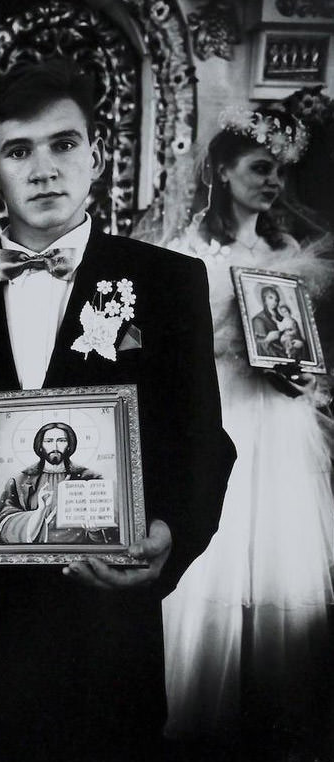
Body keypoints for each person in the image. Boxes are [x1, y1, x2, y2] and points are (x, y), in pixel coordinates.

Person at [0, 58, 235, 762]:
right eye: (18, 151)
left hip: (105, 622)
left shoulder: (168, 282)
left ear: (95, 157)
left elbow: (202, 442)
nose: (42, 169)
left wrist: (169, 535)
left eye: (62, 144)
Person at [155, 106, 334, 759]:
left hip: (275, 420)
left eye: (280, 172)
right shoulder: (185, 256)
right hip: (217, 408)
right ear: (222, 170)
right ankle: (194, 702)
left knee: (275, 561)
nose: (272, 182)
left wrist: (296, 374)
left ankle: (264, 715)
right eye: (260, 168)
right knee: (215, 553)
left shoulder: (282, 255)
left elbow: (294, 350)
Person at [0, 421, 114, 544]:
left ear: (69, 445)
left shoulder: (89, 478)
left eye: (61, 441)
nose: (55, 447)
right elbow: (3, 523)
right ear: (40, 445)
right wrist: (40, 511)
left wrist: (95, 531)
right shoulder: (19, 481)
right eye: (48, 441)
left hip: (76, 552)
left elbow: (108, 536)